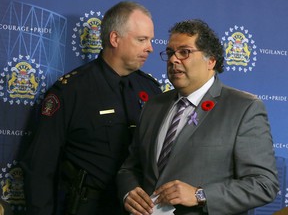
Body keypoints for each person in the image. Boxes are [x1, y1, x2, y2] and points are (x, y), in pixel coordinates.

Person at [117, 19, 279, 215]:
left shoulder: (244, 108)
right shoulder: (153, 106)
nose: (173, 60)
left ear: (211, 60)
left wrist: (200, 195)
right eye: (170, 53)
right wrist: (129, 192)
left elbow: (264, 184)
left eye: (184, 52)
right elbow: (130, 167)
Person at [21, 1, 162, 215]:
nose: (150, 48)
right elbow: (40, 168)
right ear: (115, 38)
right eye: (142, 39)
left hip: (141, 209)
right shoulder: (70, 91)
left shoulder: (151, 89)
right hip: (89, 206)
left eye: (150, 40)